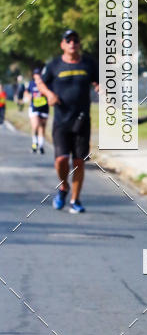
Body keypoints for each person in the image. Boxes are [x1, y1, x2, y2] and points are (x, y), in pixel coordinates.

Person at [35, 29, 99, 213]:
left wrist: (100, 86)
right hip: (62, 121)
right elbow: (40, 82)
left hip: (82, 121)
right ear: (62, 44)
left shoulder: (89, 63)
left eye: (75, 40)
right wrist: (49, 94)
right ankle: (63, 186)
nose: (72, 43)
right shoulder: (54, 65)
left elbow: (99, 80)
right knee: (61, 160)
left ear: (79, 44)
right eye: (68, 40)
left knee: (79, 161)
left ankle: (75, 200)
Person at [24, 66, 49, 153]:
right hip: (34, 107)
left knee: (42, 127)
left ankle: (41, 145)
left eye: (39, 74)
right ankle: (35, 143)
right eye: (36, 74)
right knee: (35, 126)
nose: (37, 75)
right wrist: (28, 96)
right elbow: (26, 91)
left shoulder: (45, 83)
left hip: (44, 107)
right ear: (34, 75)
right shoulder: (31, 83)